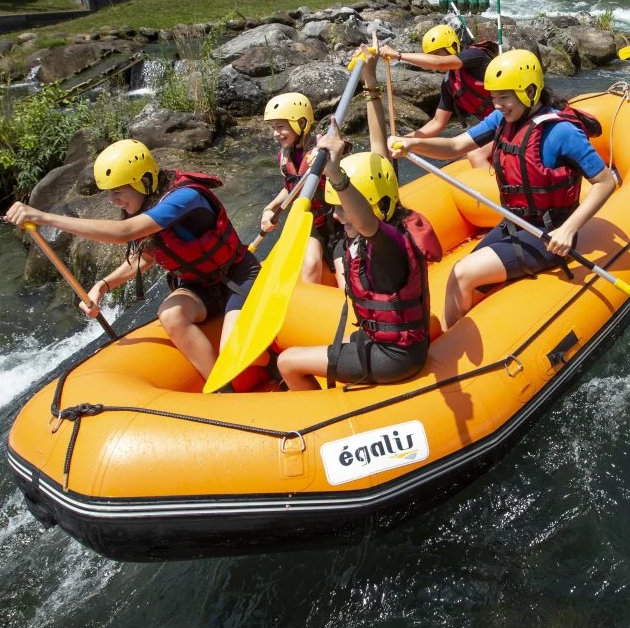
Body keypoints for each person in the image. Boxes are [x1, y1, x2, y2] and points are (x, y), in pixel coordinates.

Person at [4, 140, 272, 391]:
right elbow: (147, 257)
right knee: (170, 314)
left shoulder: (185, 197)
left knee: (234, 349)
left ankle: (273, 363)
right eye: (110, 194)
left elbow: (125, 232)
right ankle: (222, 391)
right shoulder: (147, 204)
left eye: (118, 192)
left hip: (237, 275)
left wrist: (45, 217)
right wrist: (103, 284)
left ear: (145, 182)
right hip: (200, 286)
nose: (113, 201)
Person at [389, 49, 616, 330]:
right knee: (467, 275)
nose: (497, 105)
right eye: (494, 98)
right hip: (516, 222)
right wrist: (412, 143)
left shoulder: (562, 132)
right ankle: (452, 334)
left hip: (548, 233)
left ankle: (448, 348)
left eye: (504, 97)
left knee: (462, 272)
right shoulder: (502, 120)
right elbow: (456, 146)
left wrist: (568, 229)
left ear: (530, 91)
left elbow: (606, 182)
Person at [277, 48, 441, 391]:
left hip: (395, 355)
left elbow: (365, 222)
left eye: (342, 208)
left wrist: (336, 174)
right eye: (335, 207)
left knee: (287, 362)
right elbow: (378, 147)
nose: (337, 216)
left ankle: (314, 427)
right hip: (390, 340)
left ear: (369, 207)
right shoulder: (391, 206)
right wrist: (369, 80)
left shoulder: (385, 241)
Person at [380, 23, 498, 169]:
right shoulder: (449, 83)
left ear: (453, 47)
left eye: (437, 53)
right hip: (493, 126)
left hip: (512, 119)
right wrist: (405, 139)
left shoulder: (475, 56)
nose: (431, 60)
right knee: (465, 152)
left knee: (475, 154)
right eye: (429, 56)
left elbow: (440, 63)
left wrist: (398, 55)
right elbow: (437, 122)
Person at [262, 92, 345, 287]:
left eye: (281, 127)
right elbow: (290, 188)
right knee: (310, 265)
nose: (276, 133)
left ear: (301, 123)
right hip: (310, 224)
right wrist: (270, 208)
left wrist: (333, 154)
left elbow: (342, 158)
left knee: (346, 280)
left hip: (337, 221)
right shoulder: (284, 157)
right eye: (274, 128)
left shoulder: (323, 147)